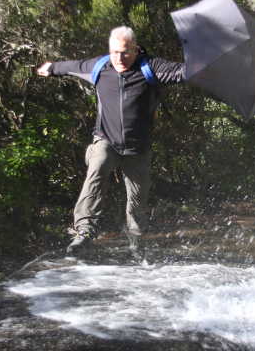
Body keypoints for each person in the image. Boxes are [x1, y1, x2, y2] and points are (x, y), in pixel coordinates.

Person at [37, 26, 185, 258]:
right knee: (96, 171)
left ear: (136, 49)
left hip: (138, 147)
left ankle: (136, 242)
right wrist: (52, 68)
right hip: (106, 138)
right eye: (115, 52)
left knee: (137, 198)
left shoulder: (151, 68)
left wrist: (204, 67)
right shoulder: (100, 67)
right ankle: (84, 234)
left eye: (125, 52)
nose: (119, 58)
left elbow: (183, 72)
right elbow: (72, 67)